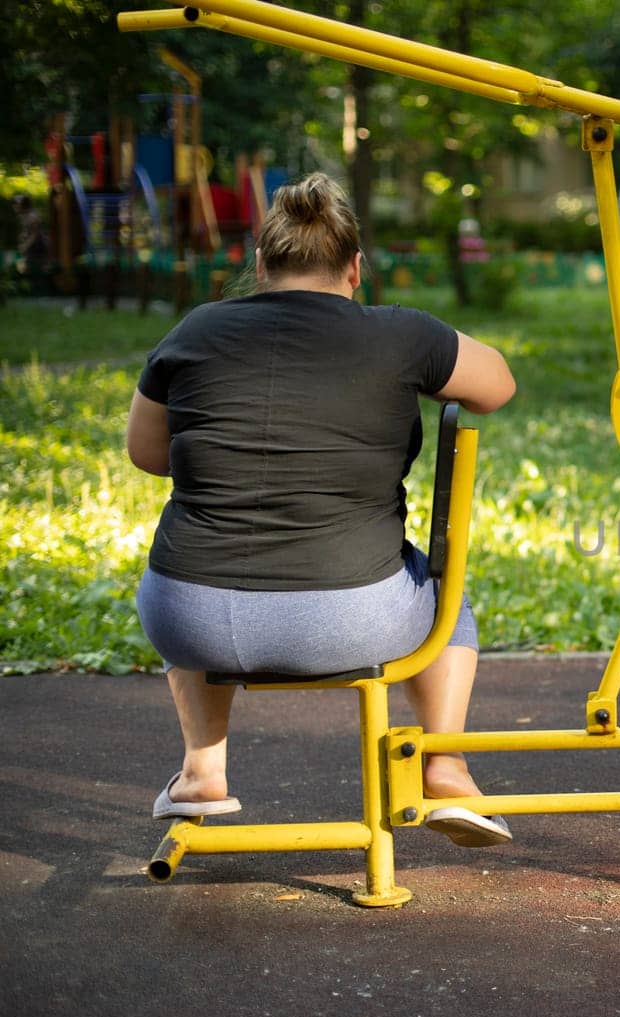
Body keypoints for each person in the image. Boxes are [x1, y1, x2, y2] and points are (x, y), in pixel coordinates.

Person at [127, 173, 518, 847]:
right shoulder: (403, 334)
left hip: (188, 616)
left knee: (199, 542)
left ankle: (202, 769)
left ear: (259, 265)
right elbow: (498, 386)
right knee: (448, 601)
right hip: (351, 619)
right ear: (356, 267)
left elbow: (147, 454)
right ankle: (447, 767)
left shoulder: (196, 329)